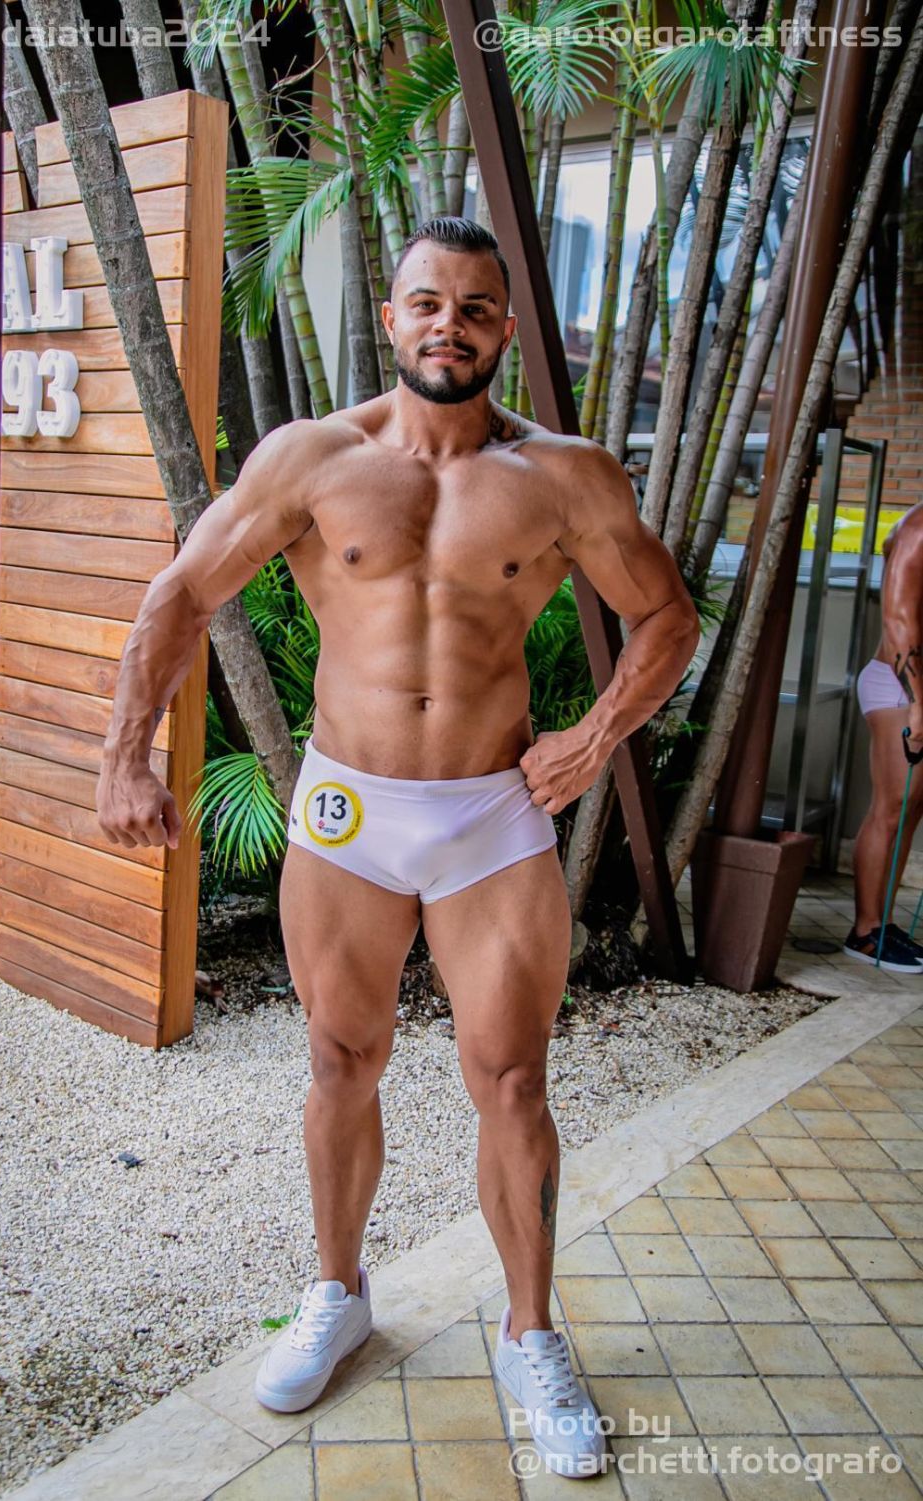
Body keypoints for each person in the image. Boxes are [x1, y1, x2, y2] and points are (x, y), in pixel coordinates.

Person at [96, 217, 699, 1478]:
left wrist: (593, 736)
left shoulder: (563, 478)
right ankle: (337, 1295)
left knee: (512, 1080)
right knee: (337, 1058)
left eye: (474, 309)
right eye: (428, 302)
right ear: (392, 316)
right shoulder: (313, 458)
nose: (448, 326)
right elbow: (182, 592)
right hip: (348, 814)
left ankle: (529, 1334)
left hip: (488, 816)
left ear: (504, 331)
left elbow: (664, 616)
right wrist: (123, 756)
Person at [846, 500, 923, 972]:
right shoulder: (919, 527)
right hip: (900, 690)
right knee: (891, 810)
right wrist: (918, 703)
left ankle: (883, 924)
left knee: (909, 811)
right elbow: (898, 621)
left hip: (912, 693)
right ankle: (865, 931)